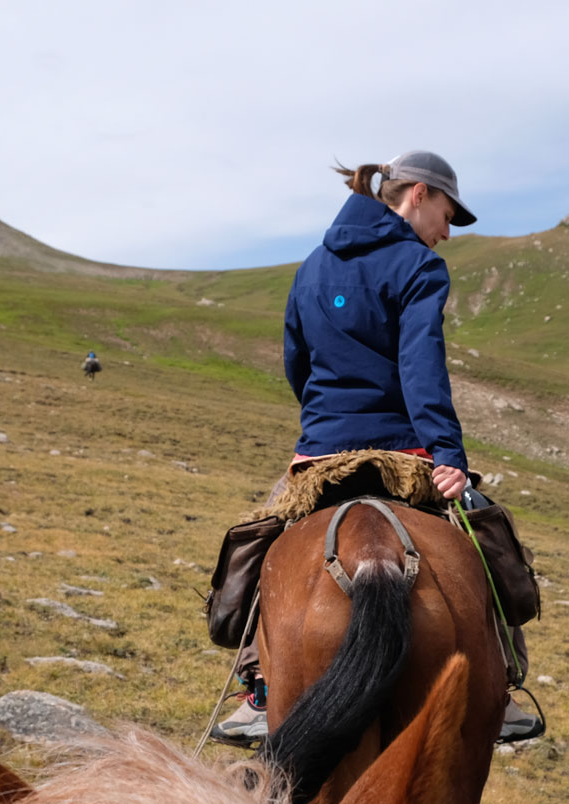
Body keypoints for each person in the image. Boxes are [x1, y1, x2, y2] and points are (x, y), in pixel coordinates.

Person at [211, 150, 540, 746]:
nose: (446, 232)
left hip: (320, 456)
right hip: (403, 453)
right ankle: (507, 685)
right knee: (488, 533)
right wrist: (446, 454)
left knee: (260, 543)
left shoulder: (311, 266)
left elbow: (296, 362)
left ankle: (256, 690)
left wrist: (323, 428)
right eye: (446, 213)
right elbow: (421, 369)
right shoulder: (418, 267)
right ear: (417, 195)